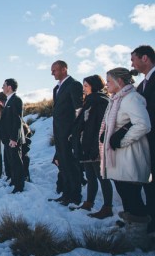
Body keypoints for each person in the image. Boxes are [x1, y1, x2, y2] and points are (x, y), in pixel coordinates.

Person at [101, 67, 151, 225]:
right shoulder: (116, 99)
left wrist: (122, 141)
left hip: (130, 155)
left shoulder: (131, 98)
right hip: (119, 157)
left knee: (132, 196)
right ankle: (130, 226)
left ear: (119, 81)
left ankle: (139, 236)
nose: (106, 84)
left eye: (108, 81)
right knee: (125, 194)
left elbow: (143, 124)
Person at [69, 74, 113, 218]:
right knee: (90, 176)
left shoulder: (100, 101)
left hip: (95, 146)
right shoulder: (89, 101)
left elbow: (100, 126)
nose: (84, 89)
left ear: (94, 86)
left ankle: (107, 207)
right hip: (85, 145)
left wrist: (96, 146)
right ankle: (89, 202)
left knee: (102, 177)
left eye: (86, 86)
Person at [51, 61, 84, 206]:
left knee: (71, 164)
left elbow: (79, 110)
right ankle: (66, 194)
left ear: (64, 69)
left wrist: (74, 132)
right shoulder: (56, 88)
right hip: (58, 133)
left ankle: (75, 196)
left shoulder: (74, 84)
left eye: (55, 70)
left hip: (69, 133)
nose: (52, 73)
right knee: (63, 164)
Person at [131, 45, 155, 233]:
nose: (132, 63)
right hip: (147, 140)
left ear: (144, 58)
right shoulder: (141, 86)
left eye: (133, 59)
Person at [0, 79, 26, 194]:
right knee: (11, 161)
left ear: (9, 87)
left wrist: (14, 138)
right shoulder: (9, 100)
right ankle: (14, 181)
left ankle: (19, 186)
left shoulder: (16, 100)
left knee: (16, 162)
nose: (2, 88)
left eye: (4, 85)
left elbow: (17, 120)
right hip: (8, 139)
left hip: (13, 139)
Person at [0, 91, 11, 180]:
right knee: (6, 159)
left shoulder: (10, 108)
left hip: (13, 138)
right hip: (5, 139)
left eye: (2, 100)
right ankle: (9, 176)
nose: (1, 103)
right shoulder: (0, 111)